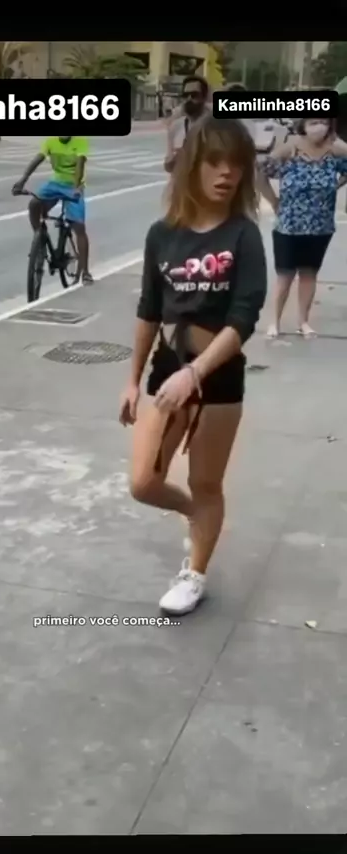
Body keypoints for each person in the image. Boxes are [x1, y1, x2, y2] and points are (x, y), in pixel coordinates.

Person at [119, 115, 267, 616]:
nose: (227, 173)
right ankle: (195, 515)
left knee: (207, 483)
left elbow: (243, 318)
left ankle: (195, 574)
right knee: (144, 482)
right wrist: (131, 380)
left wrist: (196, 372)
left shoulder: (243, 235)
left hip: (218, 377)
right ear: (192, 166)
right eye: (215, 162)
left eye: (236, 164)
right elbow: (148, 310)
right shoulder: (162, 235)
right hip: (167, 368)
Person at [258, 118, 347, 338]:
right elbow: (260, 174)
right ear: (304, 125)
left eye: (324, 122)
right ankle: (275, 322)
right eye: (314, 121)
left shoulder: (334, 153)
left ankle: (303, 322)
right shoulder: (290, 150)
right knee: (285, 275)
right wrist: (274, 202)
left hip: (320, 226)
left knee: (309, 273)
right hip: (289, 225)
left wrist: (335, 186)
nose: (319, 127)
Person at [12, 136, 94, 285]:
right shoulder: (51, 141)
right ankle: (39, 238)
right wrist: (23, 180)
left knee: (79, 227)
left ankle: (86, 272)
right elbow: (38, 159)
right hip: (55, 184)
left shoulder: (80, 141)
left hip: (73, 186)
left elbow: (80, 165)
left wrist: (76, 188)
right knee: (34, 204)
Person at [164, 74, 210, 173]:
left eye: (194, 95)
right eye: (185, 95)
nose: (189, 99)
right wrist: (173, 160)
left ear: (204, 97)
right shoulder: (175, 127)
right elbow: (168, 166)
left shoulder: (217, 126)